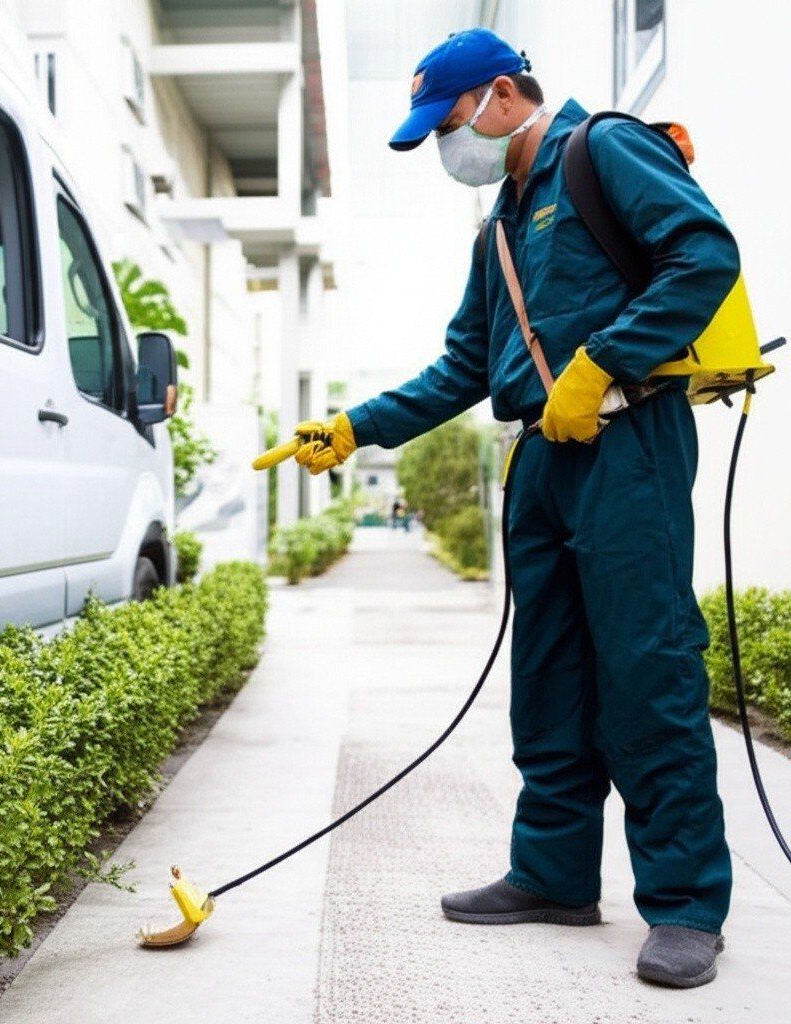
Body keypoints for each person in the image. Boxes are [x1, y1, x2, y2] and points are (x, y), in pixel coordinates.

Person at [257, 28, 739, 988]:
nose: (448, 147)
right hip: (542, 461)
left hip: (626, 443)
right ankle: (555, 876)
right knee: (549, 673)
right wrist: (355, 428)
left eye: (449, 123)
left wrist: (604, 361)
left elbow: (704, 255)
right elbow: (464, 368)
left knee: (645, 667)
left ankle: (685, 904)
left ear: (505, 96)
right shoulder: (501, 228)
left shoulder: (605, 149)